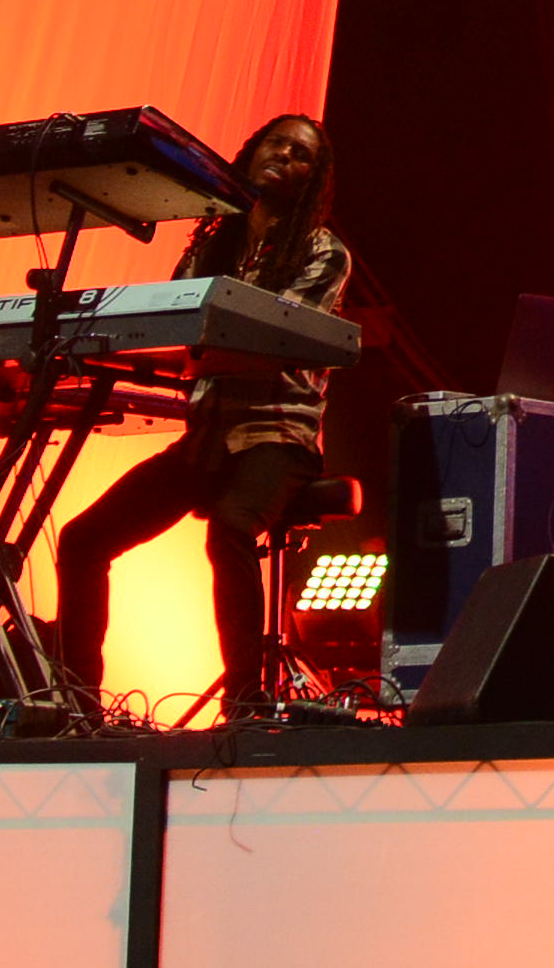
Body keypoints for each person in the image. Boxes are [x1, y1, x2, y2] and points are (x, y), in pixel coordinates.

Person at [51, 114, 351, 716]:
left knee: (231, 527)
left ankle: (245, 705)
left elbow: (279, 341)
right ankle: (78, 707)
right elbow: (174, 326)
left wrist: (201, 348)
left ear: (313, 180)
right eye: (278, 144)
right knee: (83, 539)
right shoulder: (209, 248)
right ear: (251, 152)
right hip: (206, 438)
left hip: (276, 436)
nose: (286, 157)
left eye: (302, 156)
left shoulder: (323, 252)